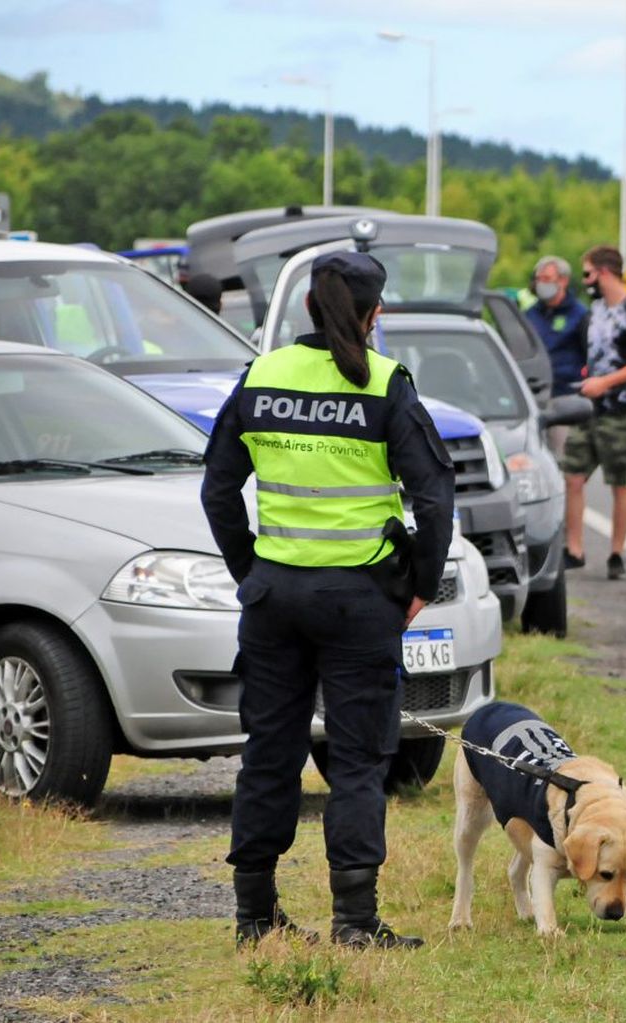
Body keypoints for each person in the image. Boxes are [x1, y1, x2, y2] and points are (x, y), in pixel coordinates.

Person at [201, 250, 455, 949]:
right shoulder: (384, 383)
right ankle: (355, 921)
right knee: (357, 759)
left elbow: (217, 489)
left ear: (309, 307)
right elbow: (434, 497)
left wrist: (249, 568)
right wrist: (422, 586)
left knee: (269, 752)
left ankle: (255, 917)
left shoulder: (262, 374)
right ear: (375, 314)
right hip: (360, 601)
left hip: (275, 598)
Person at [561, 245, 626, 580]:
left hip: (620, 409)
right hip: (589, 407)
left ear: (604, 272)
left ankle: (617, 552)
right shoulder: (595, 310)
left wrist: (607, 382)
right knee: (572, 475)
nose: (585, 280)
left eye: (587, 273)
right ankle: (574, 549)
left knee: (619, 481)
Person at [524, 255, 590, 453]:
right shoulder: (530, 314)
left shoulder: (579, 315)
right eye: (538, 279)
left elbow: (591, 357)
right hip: (532, 399)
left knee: (562, 460)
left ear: (563, 280)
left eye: (547, 278)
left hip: (564, 400)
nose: (541, 283)